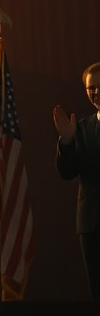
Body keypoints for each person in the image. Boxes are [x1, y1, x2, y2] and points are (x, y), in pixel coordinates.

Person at [51, 61, 100, 300]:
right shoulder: (81, 127)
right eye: (91, 88)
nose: (96, 92)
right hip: (91, 221)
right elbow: (67, 172)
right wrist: (67, 142)